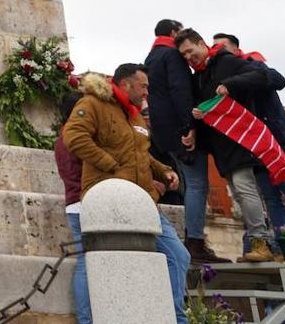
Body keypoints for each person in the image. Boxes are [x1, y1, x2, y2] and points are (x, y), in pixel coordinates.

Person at [61, 66, 189, 324]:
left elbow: (141, 153)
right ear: (127, 84)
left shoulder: (135, 116)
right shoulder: (93, 104)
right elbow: (73, 136)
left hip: (144, 201)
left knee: (178, 255)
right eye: (143, 86)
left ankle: (175, 317)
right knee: (103, 264)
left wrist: (164, 171)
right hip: (109, 199)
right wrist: (110, 165)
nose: (147, 92)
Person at [177, 29, 277, 262]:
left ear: (202, 44)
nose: (188, 58)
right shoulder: (199, 77)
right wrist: (194, 125)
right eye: (184, 56)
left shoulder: (227, 62)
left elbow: (262, 77)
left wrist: (230, 85)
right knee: (241, 192)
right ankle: (259, 244)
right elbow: (207, 107)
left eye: (190, 51)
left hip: (242, 138)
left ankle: (263, 244)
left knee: (244, 188)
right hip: (223, 146)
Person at [144, 18, 225, 263]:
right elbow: (180, 91)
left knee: (190, 183)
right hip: (180, 129)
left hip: (161, 131)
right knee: (197, 184)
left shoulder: (151, 58)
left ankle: (195, 239)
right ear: (173, 32)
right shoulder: (172, 55)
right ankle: (195, 241)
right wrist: (189, 126)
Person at [213, 33, 285, 231]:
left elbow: (278, 80)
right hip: (258, 147)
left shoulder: (255, 66)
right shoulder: (222, 79)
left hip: (280, 141)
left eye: (221, 48)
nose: (217, 53)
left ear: (236, 51)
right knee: (271, 199)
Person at [53, 94, 90, 324]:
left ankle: (87, 318)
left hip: (74, 203)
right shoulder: (77, 137)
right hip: (84, 202)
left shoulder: (62, 138)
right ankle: (86, 319)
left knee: (85, 264)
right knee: (86, 266)